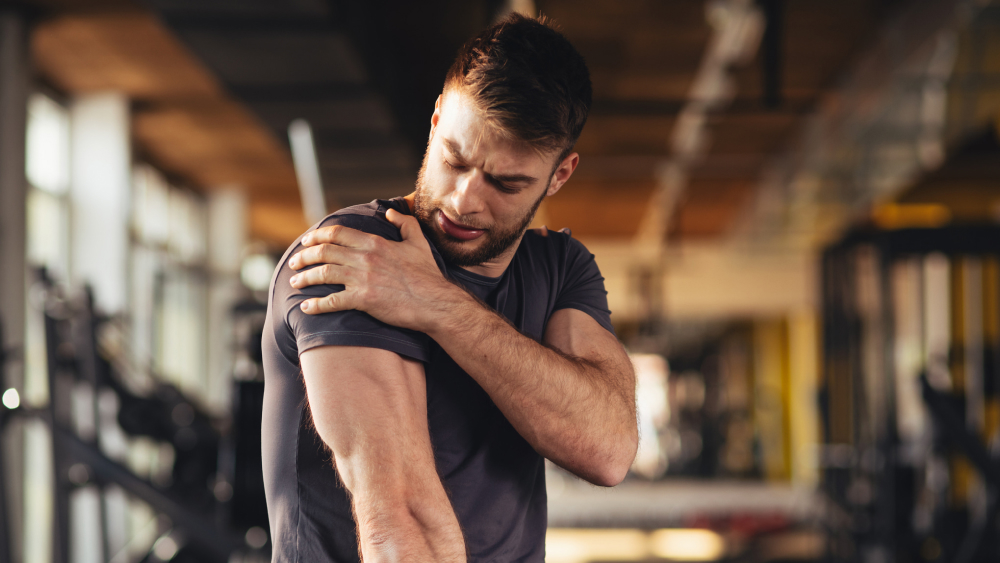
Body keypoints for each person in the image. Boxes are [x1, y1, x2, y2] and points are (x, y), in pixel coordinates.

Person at [261, 12, 638, 563]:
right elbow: (400, 524)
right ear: (436, 121)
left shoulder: (559, 267)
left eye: (506, 183)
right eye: (455, 160)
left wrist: (437, 304)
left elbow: (608, 449)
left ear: (559, 175)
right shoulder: (358, 255)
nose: (464, 200)